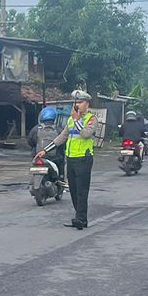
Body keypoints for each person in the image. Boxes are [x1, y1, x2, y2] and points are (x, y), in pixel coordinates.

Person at [42, 90, 97, 229]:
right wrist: (45, 150)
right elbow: (62, 137)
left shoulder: (91, 119)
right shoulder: (71, 120)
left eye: (80, 102)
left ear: (87, 104)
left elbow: (85, 134)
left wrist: (78, 119)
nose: (77, 105)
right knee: (73, 189)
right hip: (71, 159)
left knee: (82, 190)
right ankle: (80, 217)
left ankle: (80, 218)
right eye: (76, 102)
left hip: (84, 159)